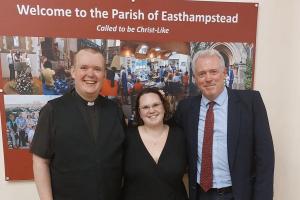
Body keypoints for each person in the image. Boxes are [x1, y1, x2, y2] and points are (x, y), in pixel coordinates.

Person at [174, 49, 274, 200]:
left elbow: (265, 158)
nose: (208, 78)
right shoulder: (186, 109)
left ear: (224, 73)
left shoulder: (251, 103)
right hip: (201, 194)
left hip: (238, 194)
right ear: (195, 78)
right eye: (202, 74)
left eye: (213, 71)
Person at [31, 47, 126, 200]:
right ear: (73, 72)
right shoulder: (53, 110)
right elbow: (40, 161)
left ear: (103, 75)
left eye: (97, 69)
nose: (91, 74)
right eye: (84, 68)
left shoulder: (114, 110)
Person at [122, 88, 188, 200]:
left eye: (156, 105)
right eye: (145, 107)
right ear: (139, 112)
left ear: (164, 107)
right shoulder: (127, 137)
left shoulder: (180, 135)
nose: (151, 110)